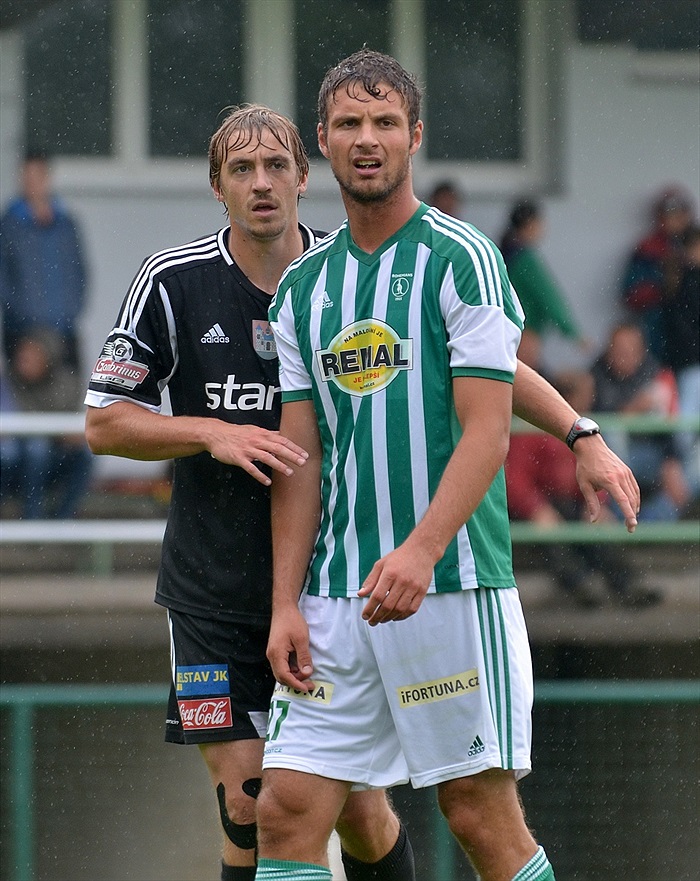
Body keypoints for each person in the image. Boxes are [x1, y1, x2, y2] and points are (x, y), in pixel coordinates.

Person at [84, 103, 640, 881]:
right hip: (211, 594)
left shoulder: (349, 269)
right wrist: (210, 432)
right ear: (217, 187)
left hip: (327, 583)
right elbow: (103, 423)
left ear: (305, 176)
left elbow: (485, 363)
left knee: (362, 807)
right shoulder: (174, 282)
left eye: (277, 166)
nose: (262, 183)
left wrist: (578, 430)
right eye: (241, 170)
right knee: (250, 802)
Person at [255, 50, 635, 881]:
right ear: (323, 138)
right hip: (336, 597)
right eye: (349, 123)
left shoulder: (462, 258)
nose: (367, 138)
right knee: (283, 806)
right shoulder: (301, 291)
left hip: (450, 584)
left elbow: (486, 431)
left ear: (414, 136)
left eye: (385, 122)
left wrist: (423, 547)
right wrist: (286, 601)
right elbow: (300, 458)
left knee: (476, 813)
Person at [506, 370, 661, 608]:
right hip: (535, 506)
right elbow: (515, 478)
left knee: (595, 523)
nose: (591, 398)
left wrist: (595, 503)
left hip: (569, 502)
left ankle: (627, 585)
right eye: (587, 393)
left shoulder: (581, 431)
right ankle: (580, 585)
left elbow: (589, 470)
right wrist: (536, 508)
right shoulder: (534, 428)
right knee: (552, 533)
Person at [591, 322, 690, 522]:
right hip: (612, 463)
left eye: (630, 350)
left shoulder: (655, 373)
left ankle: (648, 524)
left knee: (690, 467)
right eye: (619, 350)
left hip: (653, 456)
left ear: (641, 351)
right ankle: (625, 519)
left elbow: (668, 427)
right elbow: (595, 424)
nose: (624, 356)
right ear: (609, 350)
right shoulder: (595, 375)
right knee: (611, 432)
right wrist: (633, 410)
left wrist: (671, 460)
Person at [0, 151, 88, 372]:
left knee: (68, 398)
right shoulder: (10, 225)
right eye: (27, 177)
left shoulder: (66, 224)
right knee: (26, 402)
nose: (32, 184)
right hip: (23, 336)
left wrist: (70, 311)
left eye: (37, 176)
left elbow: (79, 273)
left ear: (47, 178)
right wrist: (21, 316)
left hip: (64, 333)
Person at [2, 327, 92, 518]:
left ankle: (63, 518)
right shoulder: (9, 383)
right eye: (22, 357)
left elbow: (75, 429)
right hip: (21, 456)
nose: (24, 363)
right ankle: (32, 517)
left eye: (32, 357)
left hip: (57, 455)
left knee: (86, 452)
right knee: (36, 449)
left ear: (47, 359)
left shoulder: (66, 384)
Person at [500, 199, 588, 372]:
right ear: (531, 223)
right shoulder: (525, 260)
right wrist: (573, 333)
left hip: (504, 332)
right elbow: (549, 297)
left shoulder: (504, 253)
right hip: (524, 333)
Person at [621, 185, 695, 363]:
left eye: (680, 212)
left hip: (693, 338)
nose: (675, 219)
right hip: (659, 333)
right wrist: (662, 285)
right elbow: (630, 294)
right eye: (669, 213)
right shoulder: (648, 249)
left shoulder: (695, 245)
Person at [662, 225, 700, 500]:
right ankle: (679, 469)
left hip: (688, 363)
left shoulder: (686, 279)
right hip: (689, 365)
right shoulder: (686, 279)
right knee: (684, 423)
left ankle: (681, 472)